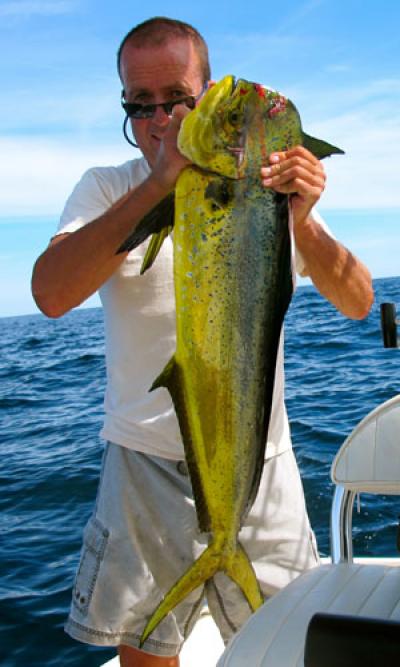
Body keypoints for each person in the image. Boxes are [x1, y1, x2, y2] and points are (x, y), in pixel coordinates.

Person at [31, 16, 373, 667]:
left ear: (208, 93)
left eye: (176, 99)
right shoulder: (107, 187)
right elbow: (50, 292)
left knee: (286, 645)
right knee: (148, 657)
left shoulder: (266, 192)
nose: (160, 121)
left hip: (258, 463)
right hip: (144, 465)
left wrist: (301, 219)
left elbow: (357, 299)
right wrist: (159, 183)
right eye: (140, 106)